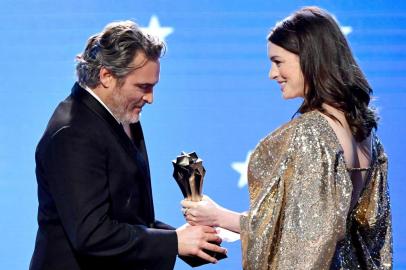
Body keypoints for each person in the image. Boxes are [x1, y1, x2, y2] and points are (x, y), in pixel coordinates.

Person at [181, 6, 392, 269]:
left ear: (309, 58)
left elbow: (300, 243)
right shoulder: (365, 134)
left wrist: (218, 216)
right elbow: (316, 228)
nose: (272, 73)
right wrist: (219, 217)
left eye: (278, 61)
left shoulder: (313, 133)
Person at [30, 20, 226, 270]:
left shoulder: (121, 114)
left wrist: (185, 238)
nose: (150, 98)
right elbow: (92, 234)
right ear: (107, 76)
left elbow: (127, 215)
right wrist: (173, 242)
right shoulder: (73, 133)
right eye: (143, 87)